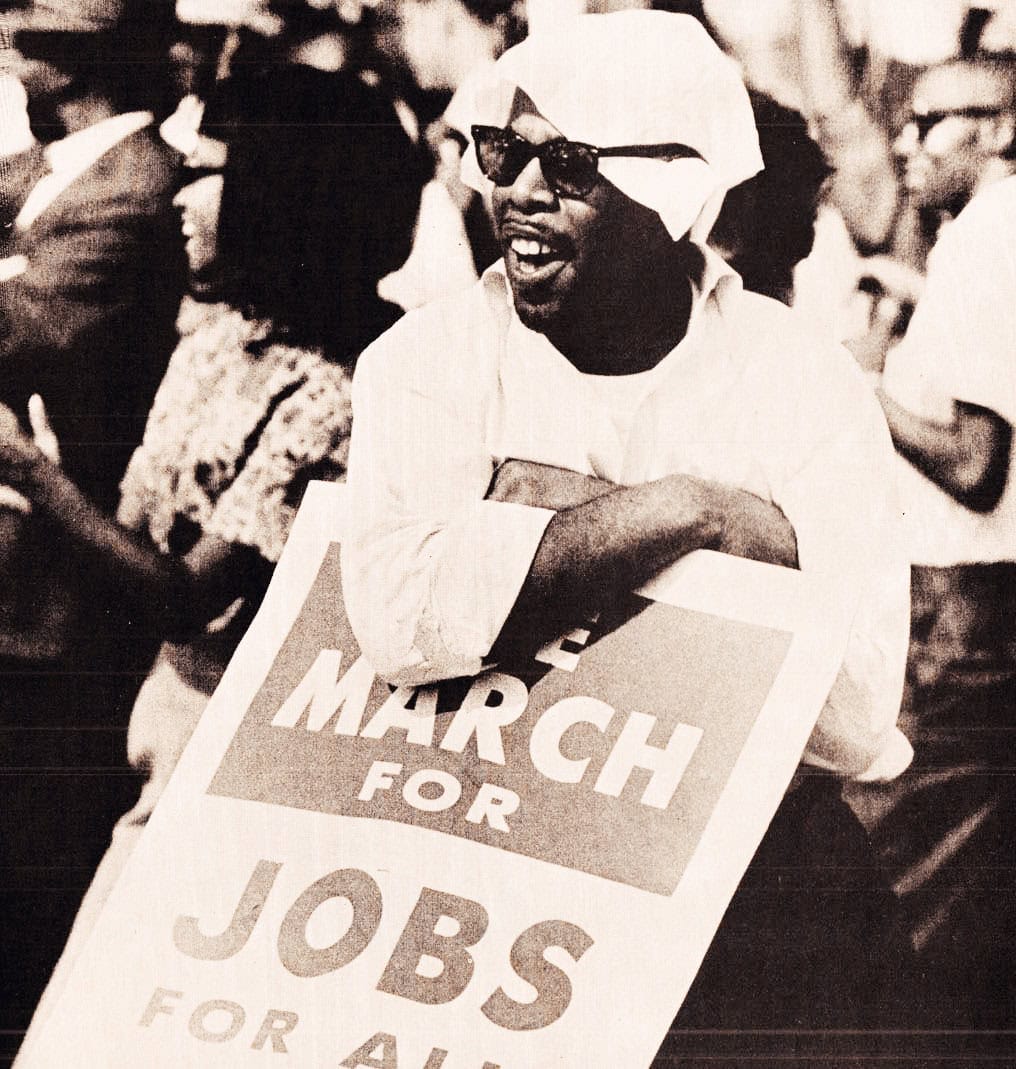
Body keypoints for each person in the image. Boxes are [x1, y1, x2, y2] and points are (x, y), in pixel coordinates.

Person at [341, 11, 912, 1056]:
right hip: (494, 882)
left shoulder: (800, 382)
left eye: (565, 162)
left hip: (744, 891)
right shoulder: (425, 364)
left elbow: (852, 715)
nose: (517, 188)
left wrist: (539, 521)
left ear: (673, 198)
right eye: (502, 152)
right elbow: (399, 618)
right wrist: (694, 513)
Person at [6, 90, 355, 1054]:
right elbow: (130, 537)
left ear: (285, 202)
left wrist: (33, 474)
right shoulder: (214, 347)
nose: (183, 199)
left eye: (213, 179)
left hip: (222, 744)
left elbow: (186, 590)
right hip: (151, 717)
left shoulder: (329, 393)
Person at [846, 56, 1016, 1028]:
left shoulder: (989, 239)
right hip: (984, 594)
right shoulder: (980, 239)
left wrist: (855, 382)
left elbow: (972, 460)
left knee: (908, 876)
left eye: (930, 124)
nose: (905, 146)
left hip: (964, 602)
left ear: (999, 129)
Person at [4, 0, 184, 512]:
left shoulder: (132, 187)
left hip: (69, 504)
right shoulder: (56, 164)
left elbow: (20, 327)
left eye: (18, 48)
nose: (9, 67)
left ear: (64, 65)